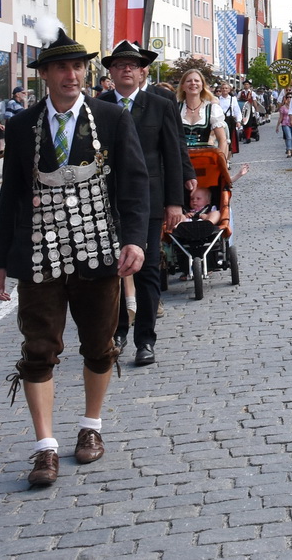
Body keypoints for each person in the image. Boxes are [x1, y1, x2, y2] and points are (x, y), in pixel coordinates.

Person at [0, 30, 149, 488]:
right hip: (40, 251)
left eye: (78, 66)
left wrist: (134, 239)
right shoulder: (22, 126)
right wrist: (1, 259)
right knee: (38, 347)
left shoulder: (112, 118)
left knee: (99, 344)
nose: (71, 75)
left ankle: (91, 426)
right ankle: (44, 448)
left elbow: (135, 185)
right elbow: (11, 195)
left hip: (99, 248)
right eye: (61, 67)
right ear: (44, 75)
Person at [101, 41, 194, 367]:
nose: (126, 68)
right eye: (119, 64)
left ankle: (145, 340)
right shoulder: (98, 106)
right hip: (107, 203)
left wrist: (175, 202)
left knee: (147, 270)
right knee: (111, 270)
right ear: (111, 72)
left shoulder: (160, 104)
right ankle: (118, 331)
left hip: (150, 203)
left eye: (133, 64)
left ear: (143, 72)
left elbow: (173, 152)